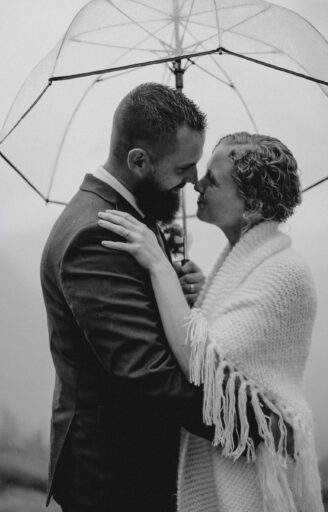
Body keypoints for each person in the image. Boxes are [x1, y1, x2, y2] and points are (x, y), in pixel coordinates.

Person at [98, 132, 323, 511]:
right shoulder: (247, 262)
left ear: (251, 203)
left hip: (257, 477)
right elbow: (230, 338)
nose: (196, 183)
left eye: (213, 180)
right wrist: (206, 298)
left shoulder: (285, 273)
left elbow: (204, 364)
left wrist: (158, 266)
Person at [39, 82, 216, 511]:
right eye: (183, 168)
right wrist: (238, 420)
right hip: (114, 473)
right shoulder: (97, 233)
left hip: (126, 460)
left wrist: (176, 289)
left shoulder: (132, 211)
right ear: (138, 160)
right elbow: (145, 369)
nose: (194, 180)